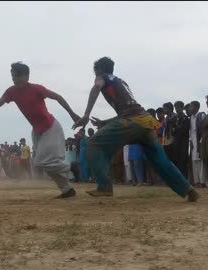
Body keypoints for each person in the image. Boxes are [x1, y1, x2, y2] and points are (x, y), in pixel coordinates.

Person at [72, 56, 200, 201]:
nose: (95, 75)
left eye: (95, 72)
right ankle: (188, 190)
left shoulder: (102, 77)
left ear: (100, 69)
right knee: (161, 161)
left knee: (94, 144)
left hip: (132, 122)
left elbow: (97, 88)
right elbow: (129, 110)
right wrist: (104, 122)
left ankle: (104, 186)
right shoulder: (120, 81)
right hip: (145, 121)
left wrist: (86, 114)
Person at [0, 61, 80, 199]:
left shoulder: (36, 88)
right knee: (46, 163)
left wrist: (73, 114)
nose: (15, 79)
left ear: (27, 76)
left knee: (40, 162)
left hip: (51, 127)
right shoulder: (11, 92)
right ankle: (67, 190)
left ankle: (71, 167)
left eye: (18, 76)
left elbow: (58, 97)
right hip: (37, 131)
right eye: (13, 76)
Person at [188, 101, 207, 188]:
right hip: (193, 142)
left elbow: (204, 129)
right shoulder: (191, 117)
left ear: (196, 107)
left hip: (200, 141)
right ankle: (196, 182)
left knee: (200, 161)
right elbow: (191, 131)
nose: (189, 108)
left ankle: (202, 182)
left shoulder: (201, 115)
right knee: (194, 161)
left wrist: (201, 141)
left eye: (191, 107)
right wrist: (191, 141)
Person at [172, 101, 190, 177]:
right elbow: (172, 131)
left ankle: (184, 178)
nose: (177, 109)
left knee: (183, 161)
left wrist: (176, 128)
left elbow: (184, 130)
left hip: (183, 142)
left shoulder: (186, 118)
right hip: (175, 142)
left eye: (178, 107)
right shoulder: (175, 118)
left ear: (182, 108)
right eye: (176, 108)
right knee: (175, 160)